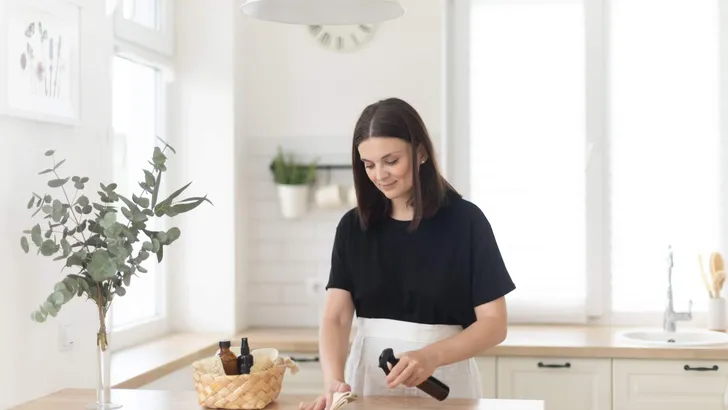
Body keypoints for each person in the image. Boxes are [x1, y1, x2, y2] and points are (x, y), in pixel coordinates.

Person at [298, 98, 516, 410]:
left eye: (391, 161)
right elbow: (336, 316)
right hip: (368, 383)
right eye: (369, 165)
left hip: (446, 381)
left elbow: (494, 324)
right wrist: (333, 381)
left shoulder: (466, 222)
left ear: (421, 152)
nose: (380, 175)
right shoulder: (353, 227)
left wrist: (432, 356)